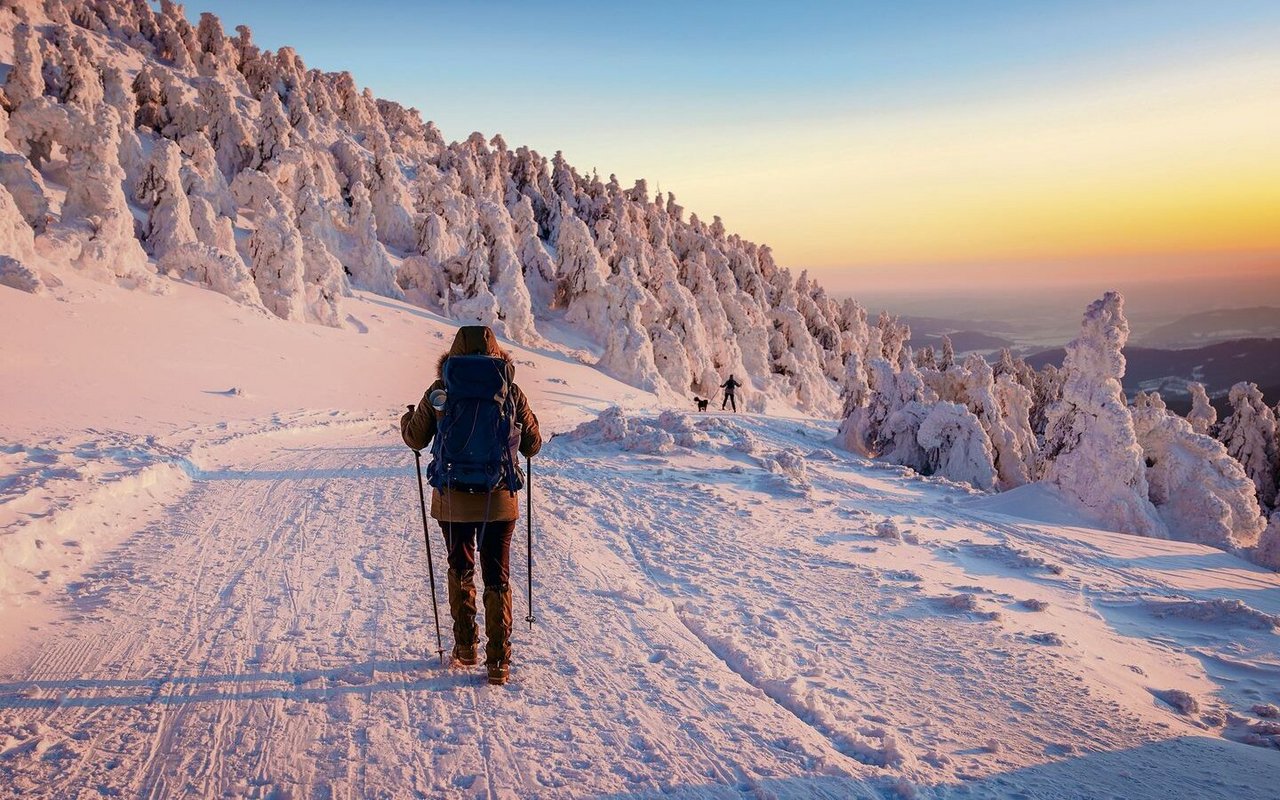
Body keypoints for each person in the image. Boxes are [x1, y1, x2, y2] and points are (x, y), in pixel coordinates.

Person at [401, 326, 541, 685]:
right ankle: (498, 662)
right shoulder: (510, 389)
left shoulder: (441, 391)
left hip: (453, 498)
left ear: (454, 352)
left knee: (460, 565)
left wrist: (406, 419)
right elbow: (532, 446)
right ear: (497, 353)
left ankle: (465, 646)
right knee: (497, 576)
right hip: (499, 499)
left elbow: (415, 437)